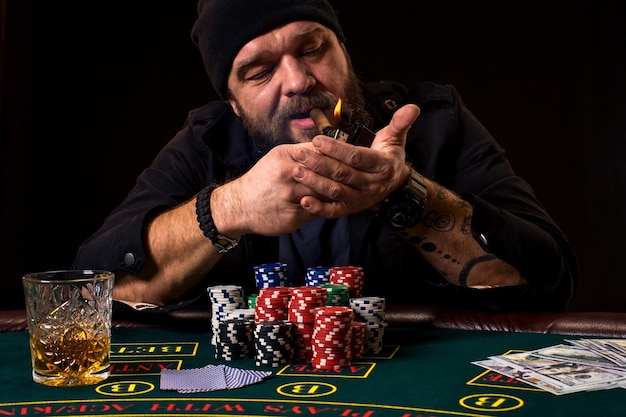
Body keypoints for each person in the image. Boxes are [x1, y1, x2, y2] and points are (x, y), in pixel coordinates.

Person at [72, 0, 577, 313]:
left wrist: (405, 194)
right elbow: (93, 288)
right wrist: (231, 209)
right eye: (260, 71)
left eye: (312, 48)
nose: (298, 80)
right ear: (233, 103)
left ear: (343, 51)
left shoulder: (435, 118)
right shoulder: (207, 140)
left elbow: (550, 280)